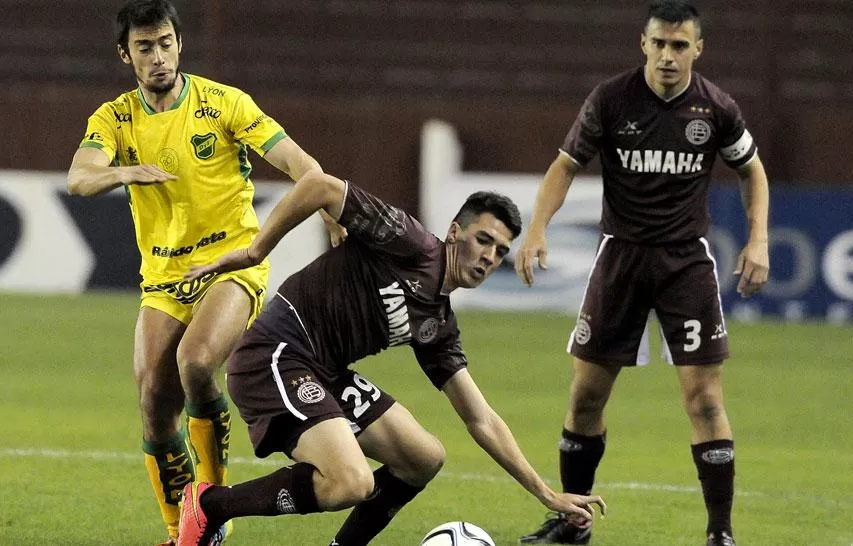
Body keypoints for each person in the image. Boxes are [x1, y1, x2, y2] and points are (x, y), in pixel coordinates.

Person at [174, 172, 607, 546]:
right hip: (277, 354)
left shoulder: (437, 324)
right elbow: (320, 186)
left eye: (499, 251)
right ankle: (211, 507)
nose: (490, 257)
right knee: (352, 482)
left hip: (326, 372)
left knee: (424, 457)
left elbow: (481, 419)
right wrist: (255, 252)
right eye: (483, 240)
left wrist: (546, 493)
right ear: (455, 232)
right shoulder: (409, 241)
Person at [66, 1, 344, 544]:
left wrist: (334, 207)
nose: (158, 56)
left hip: (233, 263)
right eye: (144, 47)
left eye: (165, 42)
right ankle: (180, 530)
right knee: (152, 404)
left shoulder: (224, 104)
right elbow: (80, 177)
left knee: (195, 362)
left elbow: (296, 163)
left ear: (179, 44)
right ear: (126, 54)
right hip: (164, 278)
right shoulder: (115, 118)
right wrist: (124, 171)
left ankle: (212, 508)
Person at [513, 2, 769, 545]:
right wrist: (537, 228)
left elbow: (752, 169)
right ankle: (573, 521)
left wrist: (758, 237)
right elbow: (564, 166)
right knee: (585, 398)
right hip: (622, 259)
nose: (669, 56)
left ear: (698, 49)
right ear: (643, 44)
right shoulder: (611, 100)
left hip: (685, 264)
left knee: (704, 400)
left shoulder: (716, 109)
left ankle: (720, 534)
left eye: (681, 45)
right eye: (660, 44)